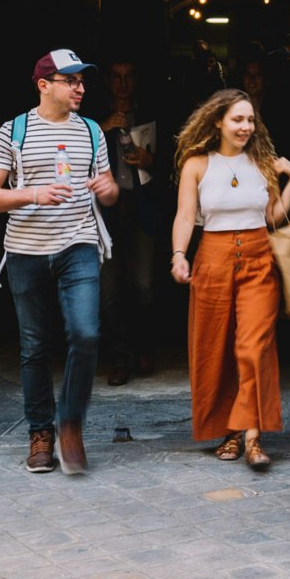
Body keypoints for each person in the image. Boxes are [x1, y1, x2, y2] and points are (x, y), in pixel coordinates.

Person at [0, 48, 119, 476]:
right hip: (26, 251)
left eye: (82, 80)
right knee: (34, 347)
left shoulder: (91, 130)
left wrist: (108, 188)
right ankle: (41, 432)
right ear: (43, 85)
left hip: (78, 245)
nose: (80, 87)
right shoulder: (13, 131)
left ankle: (71, 423)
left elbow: (109, 192)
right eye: (70, 80)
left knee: (86, 334)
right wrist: (33, 194)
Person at [170, 88, 290, 470]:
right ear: (218, 122)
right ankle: (230, 430)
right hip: (212, 260)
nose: (246, 127)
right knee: (217, 349)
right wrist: (179, 254)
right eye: (237, 119)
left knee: (252, 347)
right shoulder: (197, 164)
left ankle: (252, 437)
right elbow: (185, 215)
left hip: (259, 260)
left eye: (250, 120)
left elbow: (272, 217)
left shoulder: (262, 163)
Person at [98, 59, 156, 384]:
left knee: (143, 284)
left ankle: (144, 348)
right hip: (106, 211)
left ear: (136, 81)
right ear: (108, 81)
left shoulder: (149, 115)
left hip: (141, 205)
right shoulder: (93, 121)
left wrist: (151, 160)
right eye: (117, 78)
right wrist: (102, 127)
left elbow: (174, 161)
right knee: (109, 289)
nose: (123, 84)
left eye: (128, 77)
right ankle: (119, 359)